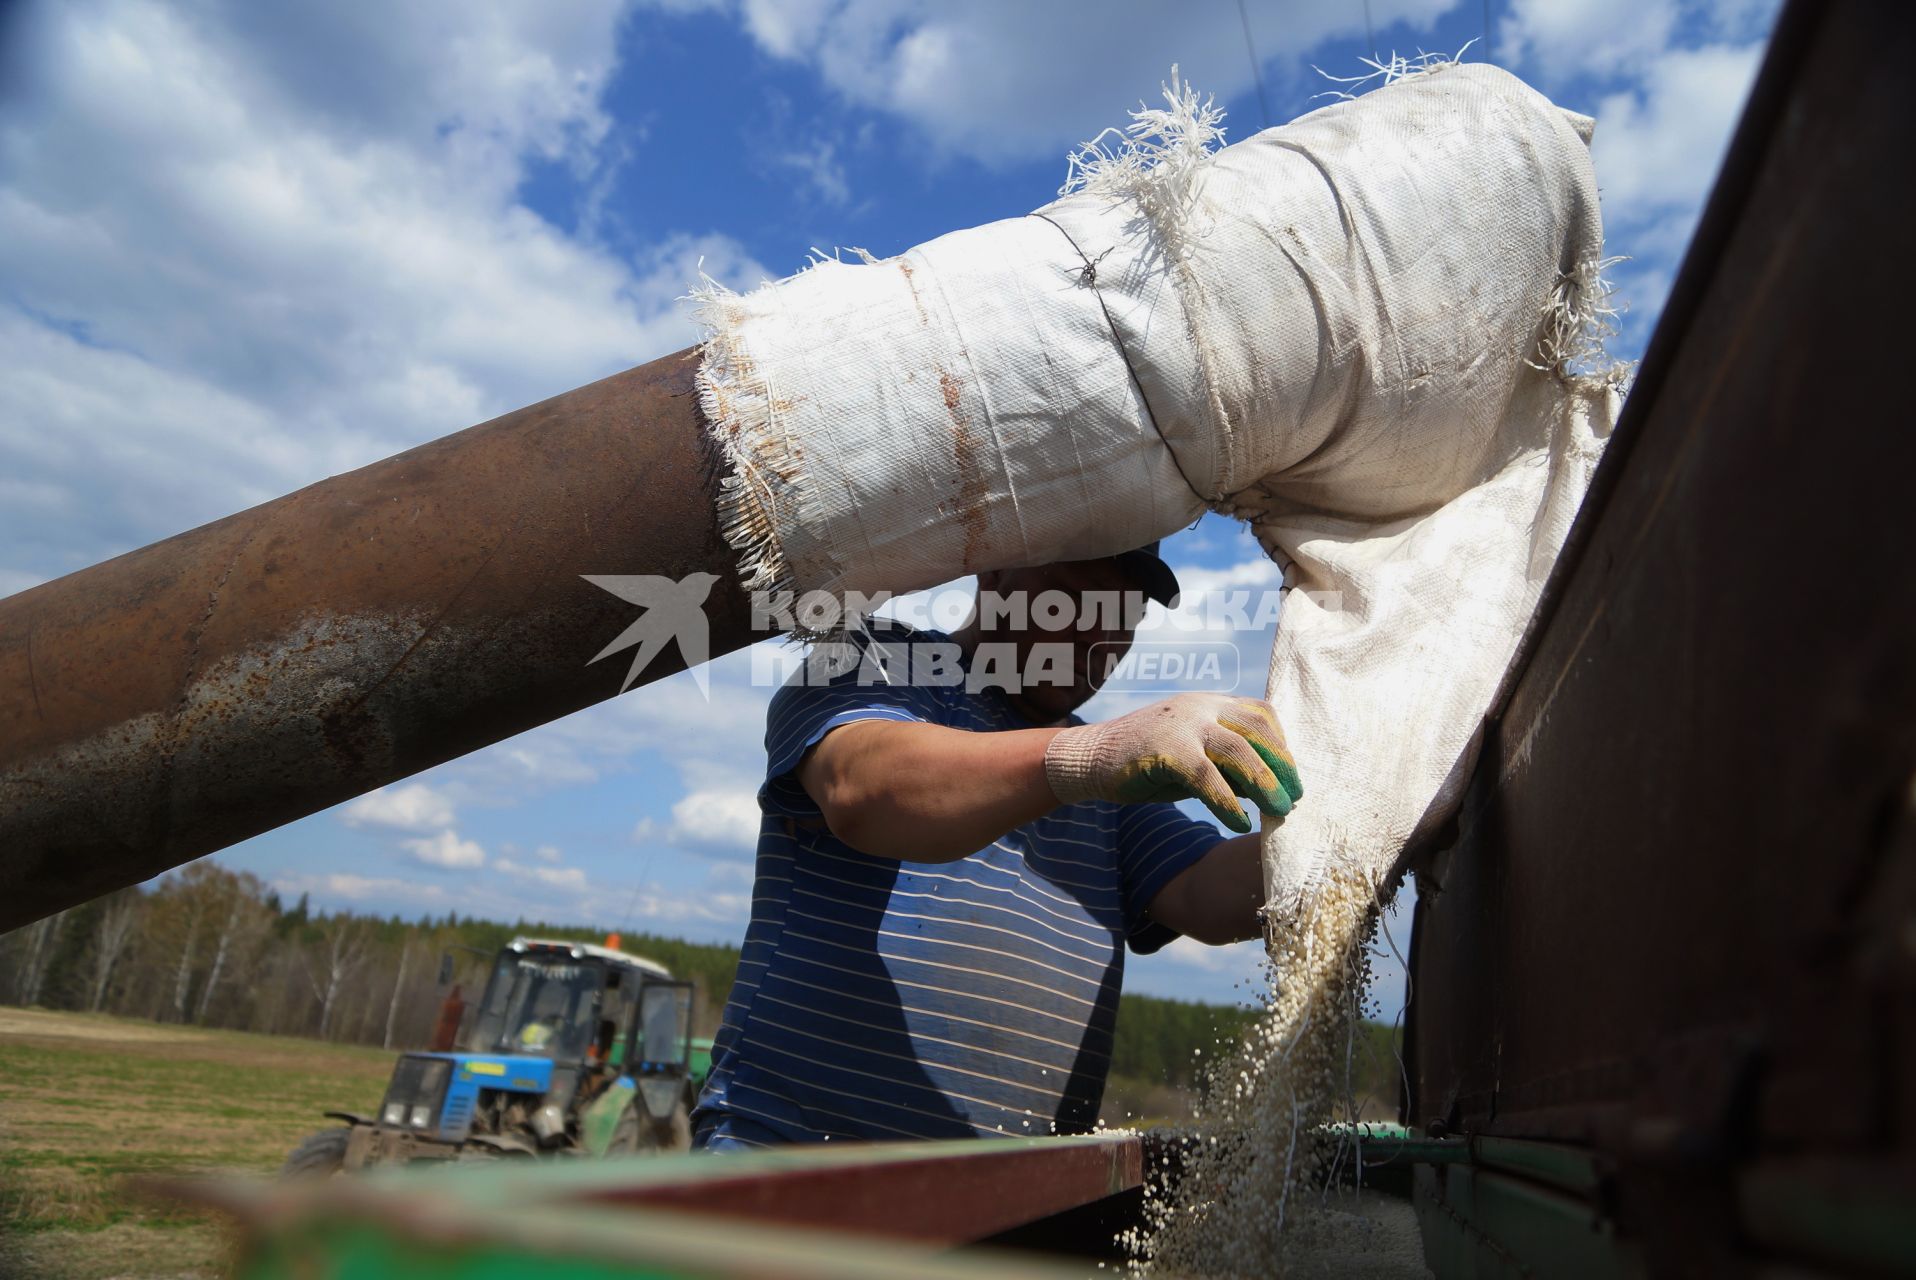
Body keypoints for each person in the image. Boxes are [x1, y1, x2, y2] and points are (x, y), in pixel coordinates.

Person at [691, 542, 1302, 1150]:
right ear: (995, 564)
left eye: (1127, 614)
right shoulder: (877, 659)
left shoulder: (1111, 785)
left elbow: (1210, 893)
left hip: (1011, 1211)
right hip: (786, 1172)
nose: (1101, 636)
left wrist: (1364, 837)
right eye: (1077, 597)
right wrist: (1087, 758)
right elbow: (862, 787)